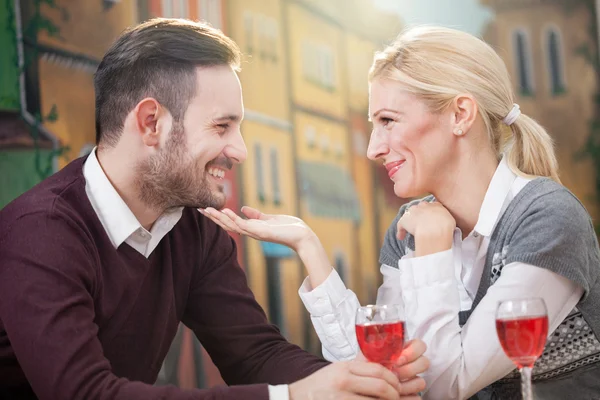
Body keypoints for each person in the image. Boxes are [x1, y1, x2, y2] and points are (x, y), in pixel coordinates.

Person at [0, 19, 430, 400]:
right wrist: (292, 397)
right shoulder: (41, 231)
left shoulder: (193, 230)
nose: (240, 151)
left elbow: (256, 355)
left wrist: (357, 385)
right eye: (222, 126)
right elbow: (83, 393)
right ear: (151, 123)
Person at [203, 26, 600, 399]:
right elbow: (378, 371)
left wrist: (432, 247)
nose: (374, 147)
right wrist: (310, 248)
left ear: (460, 115)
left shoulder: (547, 220)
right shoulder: (413, 225)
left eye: (389, 121)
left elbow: (443, 386)